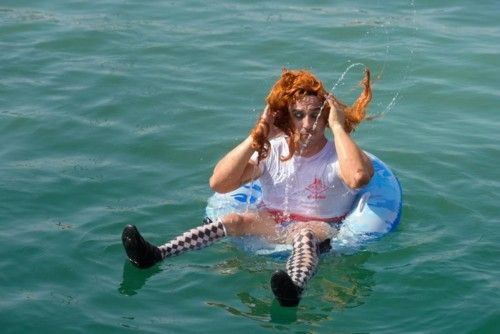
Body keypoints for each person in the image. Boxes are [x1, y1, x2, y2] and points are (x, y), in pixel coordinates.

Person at [122, 68, 374, 307]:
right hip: (272, 221)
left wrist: (339, 127)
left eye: (316, 115)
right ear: (287, 118)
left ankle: (294, 287)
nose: (308, 123)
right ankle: (156, 254)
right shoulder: (273, 150)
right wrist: (258, 136)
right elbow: (219, 183)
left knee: (304, 234)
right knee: (233, 219)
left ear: (326, 118)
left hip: (322, 228)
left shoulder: (336, 156)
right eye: (298, 115)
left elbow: (359, 177)